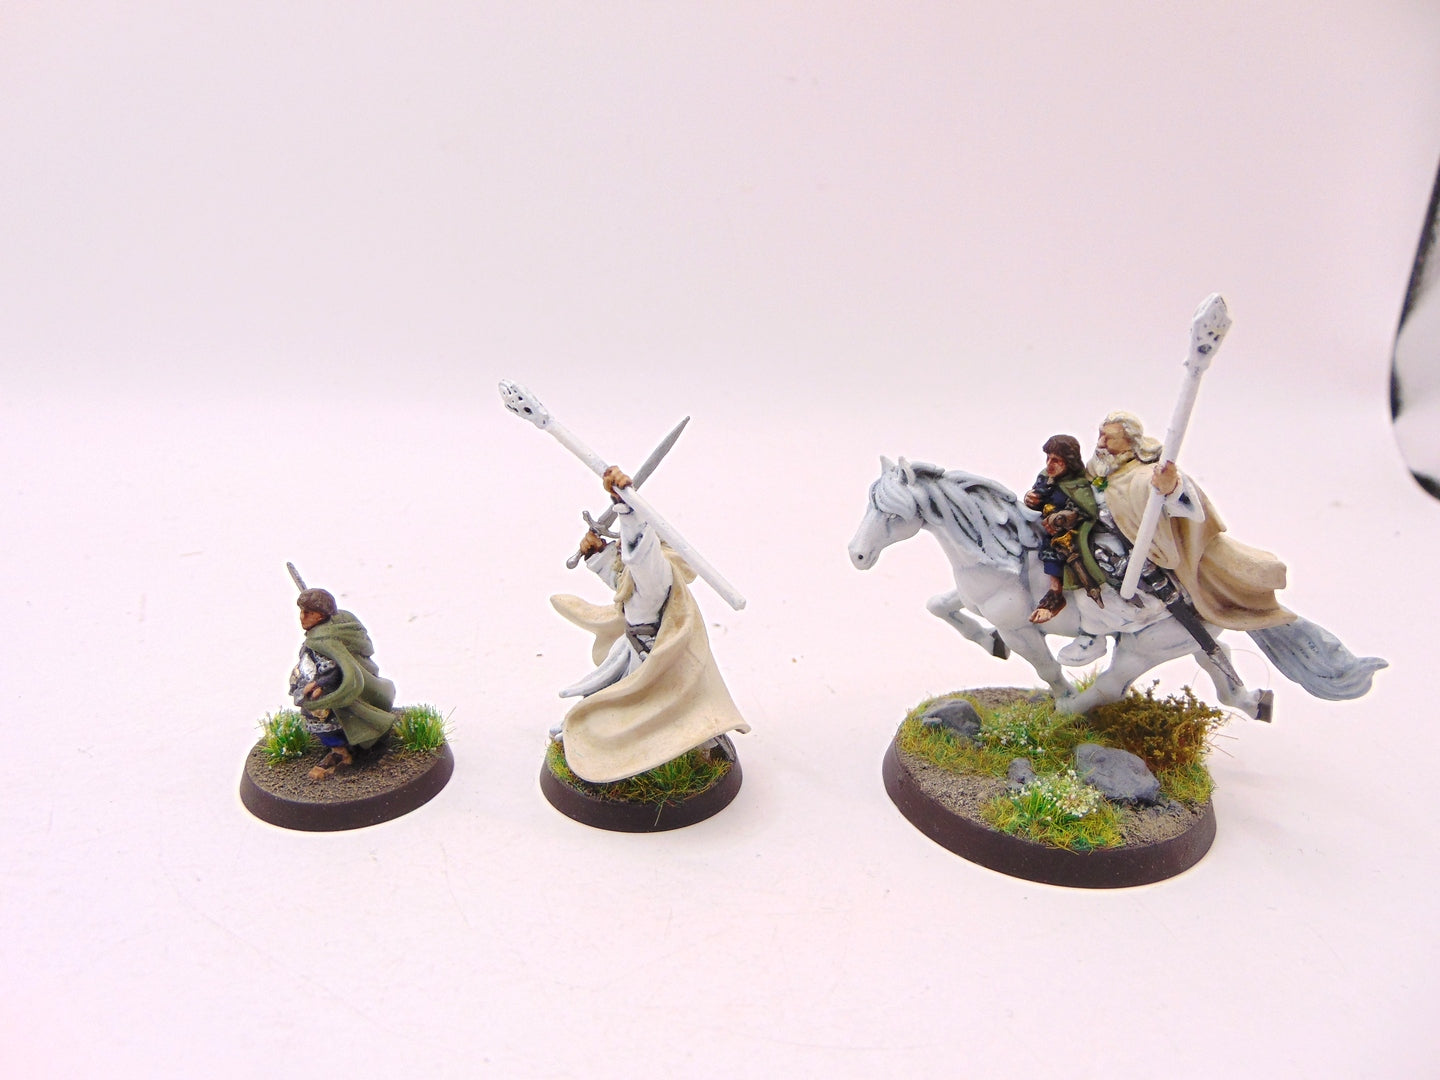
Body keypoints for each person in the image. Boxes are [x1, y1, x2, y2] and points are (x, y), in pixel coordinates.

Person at [549, 466, 749, 784]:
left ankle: (685, 746)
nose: (624, 547)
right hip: (633, 650)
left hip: (655, 659)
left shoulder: (657, 575)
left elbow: (640, 558)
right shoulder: (641, 579)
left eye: (633, 543)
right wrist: (597, 553)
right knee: (609, 700)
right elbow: (623, 582)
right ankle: (582, 736)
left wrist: (627, 511)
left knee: (654, 711)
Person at [1088, 410, 1293, 631]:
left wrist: (1170, 488)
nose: (1100, 443)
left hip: (1139, 556)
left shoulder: (1144, 475)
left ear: (1130, 443)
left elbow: (1180, 499)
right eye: (1101, 435)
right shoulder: (1099, 468)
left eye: (1109, 438)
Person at [289, 588, 397, 781]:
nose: (302, 617)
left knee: (329, 723)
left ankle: (342, 753)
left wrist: (319, 686)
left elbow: (334, 669)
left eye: (308, 612)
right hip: (313, 689)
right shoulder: (318, 635)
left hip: (328, 696)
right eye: (301, 611)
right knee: (318, 721)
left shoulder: (325, 639)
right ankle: (340, 749)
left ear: (321, 615)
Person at [1024, 434, 1108, 624]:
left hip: (1066, 532)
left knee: (1055, 546)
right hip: (1042, 522)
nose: (1049, 464)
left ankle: (1055, 593)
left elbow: (1086, 508)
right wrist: (1031, 499)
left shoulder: (1079, 484)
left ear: (1068, 461)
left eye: (1056, 460)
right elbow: (1039, 496)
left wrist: (1065, 517)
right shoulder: (1045, 477)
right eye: (1048, 458)